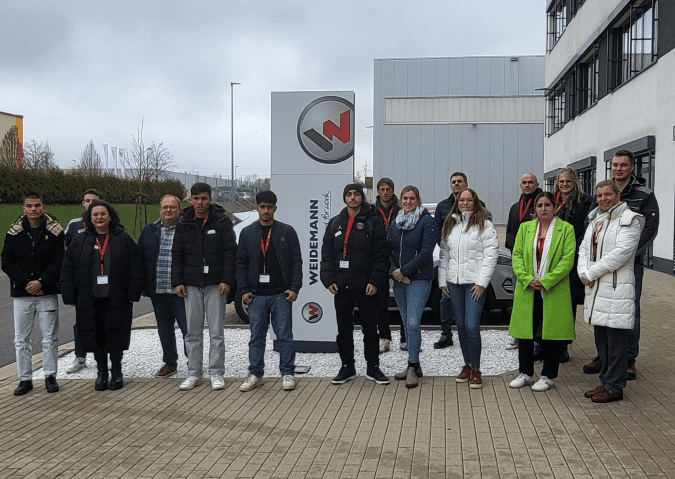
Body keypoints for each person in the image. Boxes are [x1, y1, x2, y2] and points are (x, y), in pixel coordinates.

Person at [583, 150, 659, 380]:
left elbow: (649, 229)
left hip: (629, 265)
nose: (618, 169)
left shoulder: (644, 194)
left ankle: (628, 359)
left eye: (623, 165)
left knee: (628, 310)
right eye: (615, 165)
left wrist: (626, 256)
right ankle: (604, 357)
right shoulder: (604, 191)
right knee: (601, 308)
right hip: (601, 265)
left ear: (632, 167)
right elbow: (592, 224)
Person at [60, 200, 143, 391]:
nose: (99, 217)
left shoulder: (123, 238)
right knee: (95, 335)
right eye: (95, 214)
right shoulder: (81, 240)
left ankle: (117, 371)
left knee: (116, 334)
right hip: (89, 298)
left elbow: (136, 265)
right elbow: (67, 267)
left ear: (110, 216)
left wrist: (133, 292)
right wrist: (69, 295)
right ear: (90, 218)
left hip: (117, 297)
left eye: (103, 214)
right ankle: (101, 372)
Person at [578, 179, 643, 403]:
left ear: (618, 195)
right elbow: (584, 249)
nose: (603, 199)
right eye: (599, 195)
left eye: (607, 194)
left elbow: (620, 254)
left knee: (616, 343)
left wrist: (591, 274)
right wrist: (583, 272)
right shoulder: (596, 220)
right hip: (596, 289)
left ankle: (615, 387)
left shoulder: (630, 220)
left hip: (616, 289)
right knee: (602, 342)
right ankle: (605, 381)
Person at [321, 182, 389, 385]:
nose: (353, 197)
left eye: (356, 194)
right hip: (342, 287)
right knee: (344, 331)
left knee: (370, 330)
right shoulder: (334, 223)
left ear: (362, 197)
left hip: (367, 287)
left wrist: (375, 281)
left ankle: (373, 367)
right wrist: (328, 280)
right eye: (349, 194)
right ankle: (347, 367)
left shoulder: (373, 222)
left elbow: (381, 256)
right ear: (345, 198)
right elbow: (326, 255)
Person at [508, 191, 576, 392]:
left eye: (547, 205)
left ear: (555, 208)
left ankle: (548, 376)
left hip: (553, 288)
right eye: (539, 205)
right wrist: (527, 278)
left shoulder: (566, 229)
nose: (543, 209)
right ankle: (525, 373)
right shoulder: (525, 228)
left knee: (550, 334)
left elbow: (567, 260)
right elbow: (517, 256)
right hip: (528, 288)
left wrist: (546, 281)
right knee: (525, 333)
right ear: (535, 209)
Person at [172, 183, 237, 391]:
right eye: (196, 198)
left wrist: (227, 280)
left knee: (216, 331)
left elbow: (230, 252)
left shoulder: (222, 221)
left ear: (210, 199)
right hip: (191, 284)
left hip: (216, 284)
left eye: (204, 198)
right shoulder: (183, 222)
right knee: (192, 332)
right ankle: (194, 373)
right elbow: (177, 253)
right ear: (190, 199)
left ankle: (216, 372)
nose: (200, 203)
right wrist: (177, 281)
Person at [236, 190, 303, 392]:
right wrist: (243, 289)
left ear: (275, 208)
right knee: (256, 337)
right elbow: (241, 264)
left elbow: (296, 262)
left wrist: (294, 287)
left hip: (281, 294)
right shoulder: (247, 233)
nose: (266, 211)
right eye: (262, 207)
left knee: (284, 336)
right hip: (256, 295)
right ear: (257, 207)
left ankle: (287, 373)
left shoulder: (287, 231)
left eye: (269, 207)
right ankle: (255, 374)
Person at [2, 192, 64, 396]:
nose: (33, 209)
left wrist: (41, 281)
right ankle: (25, 378)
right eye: (29, 206)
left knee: (50, 338)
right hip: (22, 294)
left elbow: (59, 261)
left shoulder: (55, 232)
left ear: (43, 207)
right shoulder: (14, 233)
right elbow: (7, 262)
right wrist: (26, 283)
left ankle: (50, 376)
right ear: (23, 209)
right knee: (21, 339)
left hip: (47, 292)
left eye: (37, 205)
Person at [438, 188, 498, 389]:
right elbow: (444, 255)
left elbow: (491, 255)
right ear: (457, 202)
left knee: (472, 326)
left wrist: (482, 282)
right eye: (461, 200)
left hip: (474, 284)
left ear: (475, 201)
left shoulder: (485, 225)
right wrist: (443, 281)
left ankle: (476, 369)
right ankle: (467, 364)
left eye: (469, 200)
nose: (465, 203)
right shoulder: (451, 224)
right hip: (454, 284)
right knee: (461, 326)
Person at [388, 186, 438, 388]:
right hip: (399, 280)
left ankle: (411, 367)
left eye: (412, 198)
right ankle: (415, 364)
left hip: (418, 279)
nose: (408, 202)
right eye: (405, 198)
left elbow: (426, 252)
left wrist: (405, 271)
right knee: (405, 321)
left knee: (413, 323)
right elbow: (389, 249)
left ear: (418, 200)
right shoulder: (396, 222)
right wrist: (394, 270)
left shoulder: (426, 221)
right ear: (400, 200)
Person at [137, 194, 188, 378]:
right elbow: (140, 257)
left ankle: (194, 362)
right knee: (164, 329)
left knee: (188, 329)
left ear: (179, 210)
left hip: (182, 291)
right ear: (160, 210)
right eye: (165, 207)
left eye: (172, 207)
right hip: (158, 290)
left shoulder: (188, 229)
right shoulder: (149, 230)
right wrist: (142, 285)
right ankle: (170, 362)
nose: (168, 210)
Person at [552, 168, 593, 363]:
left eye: (568, 181)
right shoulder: (552, 199)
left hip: (573, 256)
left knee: (568, 304)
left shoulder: (586, 201)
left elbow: (587, 230)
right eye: (561, 181)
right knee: (551, 301)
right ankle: (547, 343)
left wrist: (569, 247)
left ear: (575, 182)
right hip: (552, 257)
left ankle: (563, 346)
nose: (564, 184)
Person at [63, 188, 101, 373]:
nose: (90, 203)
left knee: (103, 320)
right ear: (83, 203)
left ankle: (103, 356)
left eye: (94, 201)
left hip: (102, 283)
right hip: (82, 284)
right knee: (82, 321)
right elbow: (65, 253)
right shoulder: (74, 225)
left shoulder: (106, 223)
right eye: (88, 200)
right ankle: (80, 357)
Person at [505, 173, 543, 351]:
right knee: (519, 300)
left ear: (536, 184)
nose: (527, 185)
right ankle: (519, 336)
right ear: (520, 185)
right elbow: (509, 232)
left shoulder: (540, 206)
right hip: (518, 261)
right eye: (524, 183)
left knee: (536, 302)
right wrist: (516, 248)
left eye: (530, 182)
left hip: (536, 261)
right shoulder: (515, 207)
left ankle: (536, 338)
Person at [432, 172, 470, 349]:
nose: (456, 184)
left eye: (459, 181)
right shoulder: (442, 207)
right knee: (446, 298)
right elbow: (436, 232)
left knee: (469, 297)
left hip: (470, 259)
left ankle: (469, 333)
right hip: (450, 259)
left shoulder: (476, 204)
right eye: (453, 182)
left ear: (466, 183)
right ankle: (446, 334)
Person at [373, 177, 402, 352]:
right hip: (380, 259)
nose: (385, 192)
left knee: (404, 302)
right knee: (381, 303)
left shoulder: (400, 210)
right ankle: (384, 338)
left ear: (392, 191)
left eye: (388, 189)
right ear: (378, 191)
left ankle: (405, 339)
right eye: (382, 189)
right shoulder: (371, 211)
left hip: (399, 258)